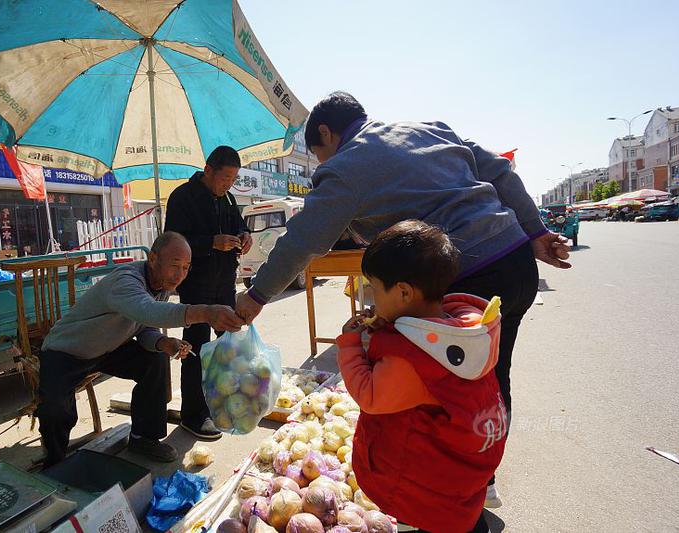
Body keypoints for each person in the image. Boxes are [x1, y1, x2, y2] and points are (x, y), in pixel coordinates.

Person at [235, 91, 571, 506]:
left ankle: (446, 497)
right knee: (489, 378)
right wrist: (535, 232)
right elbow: (501, 171)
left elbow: (304, 239)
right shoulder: (429, 129)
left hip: (461, 278)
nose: (322, 163)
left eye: (318, 153)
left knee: (435, 396)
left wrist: (257, 294)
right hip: (517, 263)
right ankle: (481, 482)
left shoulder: (346, 167)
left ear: (326, 132)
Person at [338, 221, 506, 533]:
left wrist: (350, 345)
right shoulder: (460, 332)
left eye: (373, 288)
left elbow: (369, 395)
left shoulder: (411, 358)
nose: (369, 299)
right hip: (458, 477)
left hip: (423, 492)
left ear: (403, 292)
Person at [36, 232, 244, 467]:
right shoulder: (125, 280)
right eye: (175, 265)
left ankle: (144, 437)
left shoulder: (160, 285)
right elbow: (147, 311)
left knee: (154, 361)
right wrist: (206, 312)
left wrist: (164, 343)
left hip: (109, 349)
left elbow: (143, 327)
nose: (180, 274)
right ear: (153, 258)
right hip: (66, 352)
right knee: (55, 409)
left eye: (186, 267)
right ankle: (54, 463)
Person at [164, 146, 252, 440]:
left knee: (228, 345)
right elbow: (173, 241)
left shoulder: (228, 199)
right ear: (208, 170)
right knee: (196, 349)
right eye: (225, 177)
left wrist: (245, 236)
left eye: (233, 179)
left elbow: (240, 225)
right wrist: (211, 242)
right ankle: (193, 414)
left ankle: (222, 400)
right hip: (197, 285)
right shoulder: (182, 197)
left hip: (224, 282)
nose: (228, 184)